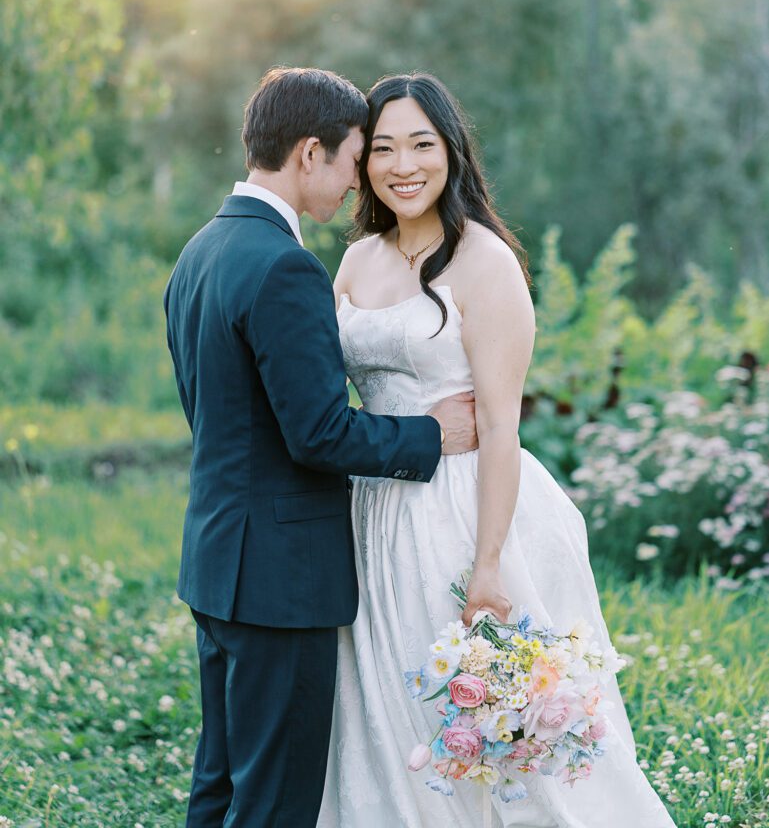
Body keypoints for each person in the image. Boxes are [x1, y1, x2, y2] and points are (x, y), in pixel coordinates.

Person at [318, 73, 676, 827]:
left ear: (452, 151)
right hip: (371, 512)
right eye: (382, 148)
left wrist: (487, 564)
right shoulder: (356, 262)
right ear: (362, 163)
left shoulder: (483, 261)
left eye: (421, 143)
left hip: (463, 507)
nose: (402, 164)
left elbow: (502, 427)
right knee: (386, 705)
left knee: (487, 718)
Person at [163, 66, 478, 828]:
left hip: (217, 564)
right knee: (275, 802)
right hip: (280, 582)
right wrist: (430, 434)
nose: (357, 181)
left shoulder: (201, 252)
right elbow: (317, 433)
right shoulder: (284, 266)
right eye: (354, 156)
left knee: (222, 787)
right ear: (310, 153)